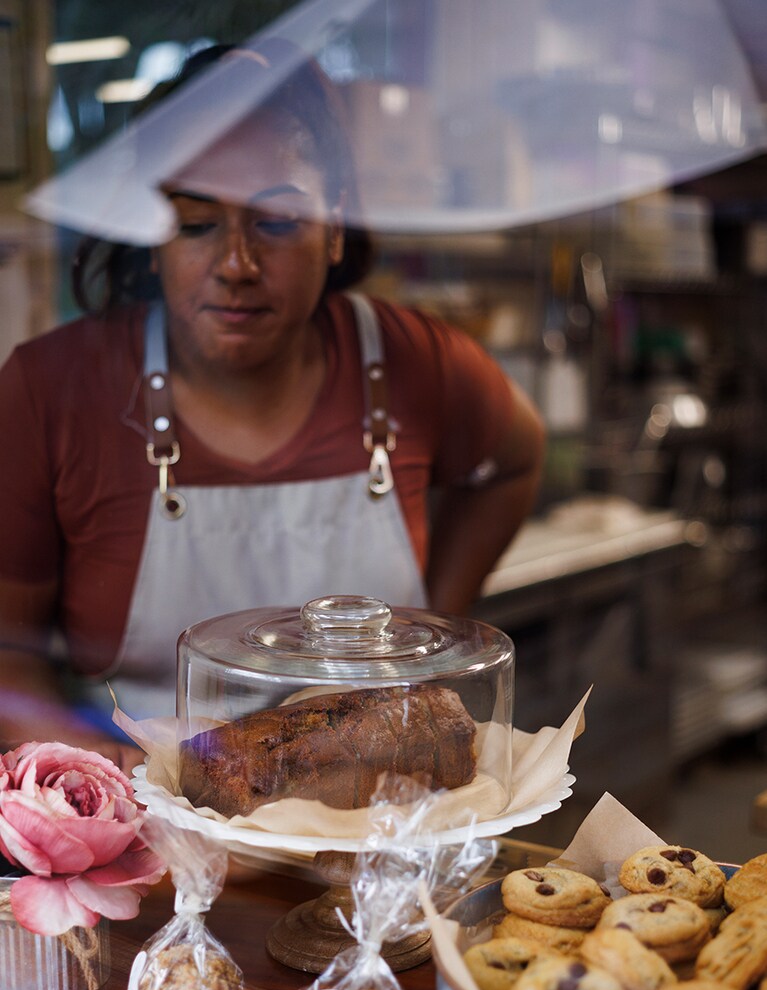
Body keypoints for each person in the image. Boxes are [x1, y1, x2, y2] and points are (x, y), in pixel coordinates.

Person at [0, 40, 545, 771]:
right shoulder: (52, 387)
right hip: (149, 819)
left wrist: (434, 639)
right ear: (150, 237)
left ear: (334, 227)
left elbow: (515, 457)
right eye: (195, 223)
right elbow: (7, 655)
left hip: (368, 807)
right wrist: (105, 770)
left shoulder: (413, 363)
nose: (235, 266)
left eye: (277, 223)